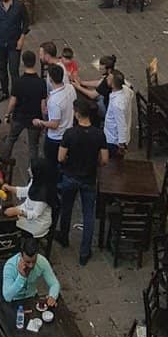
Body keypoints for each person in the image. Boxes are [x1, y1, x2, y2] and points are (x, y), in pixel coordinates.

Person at [56, 96, 107, 266]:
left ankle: (64, 236)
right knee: (88, 214)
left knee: (66, 208)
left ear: (77, 114)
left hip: (70, 176)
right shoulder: (99, 134)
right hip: (89, 178)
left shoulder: (70, 134)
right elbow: (104, 160)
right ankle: (85, 252)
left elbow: (60, 157)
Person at [34, 63, 74, 178]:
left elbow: (54, 124)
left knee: (52, 163)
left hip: (56, 138)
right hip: (68, 131)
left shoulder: (55, 101)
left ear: (50, 78)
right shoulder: (70, 88)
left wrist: (40, 122)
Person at [6, 49, 46, 163]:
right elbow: (43, 105)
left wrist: (7, 114)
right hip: (35, 118)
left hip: (19, 116)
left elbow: (12, 102)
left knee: (11, 138)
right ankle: (33, 169)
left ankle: (4, 160)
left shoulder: (18, 82)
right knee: (33, 146)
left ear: (23, 63)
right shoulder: (41, 83)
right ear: (35, 62)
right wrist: (43, 121)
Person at [0, 0, 29, 100]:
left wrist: (22, 38)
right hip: (0, 42)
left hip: (14, 43)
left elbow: (26, 22)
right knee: (2, 69)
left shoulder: (19, 6)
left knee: (14, 70)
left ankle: (15, 94)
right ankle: (4, 91)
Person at [3, 159, 55, 241]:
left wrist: (18, 212)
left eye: (30, 168)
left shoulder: (44, 194)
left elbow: (35, 214)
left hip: (37, 223)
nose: (28, 170)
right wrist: (10, 188)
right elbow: (27, 190)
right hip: (26, 210)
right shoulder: (36, 180)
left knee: (8, 222)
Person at [1, 235, 60, 304]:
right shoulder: (10, 266)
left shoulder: (42, 261)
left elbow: (54, 283)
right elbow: (7, 296)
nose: (31, 266)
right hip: (15, 300)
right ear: (20, 256)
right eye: (27, 262)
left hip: (32, 297)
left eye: (34, 261)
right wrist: (21, 277)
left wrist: (52, 296)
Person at [102, 69, 133, 155]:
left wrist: (121, 144)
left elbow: (121, 124)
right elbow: (131, 92)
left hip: (113, 139)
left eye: (109, 78)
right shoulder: (126, 90)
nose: (106, 78)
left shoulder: (117, 104)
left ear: (113, 84)